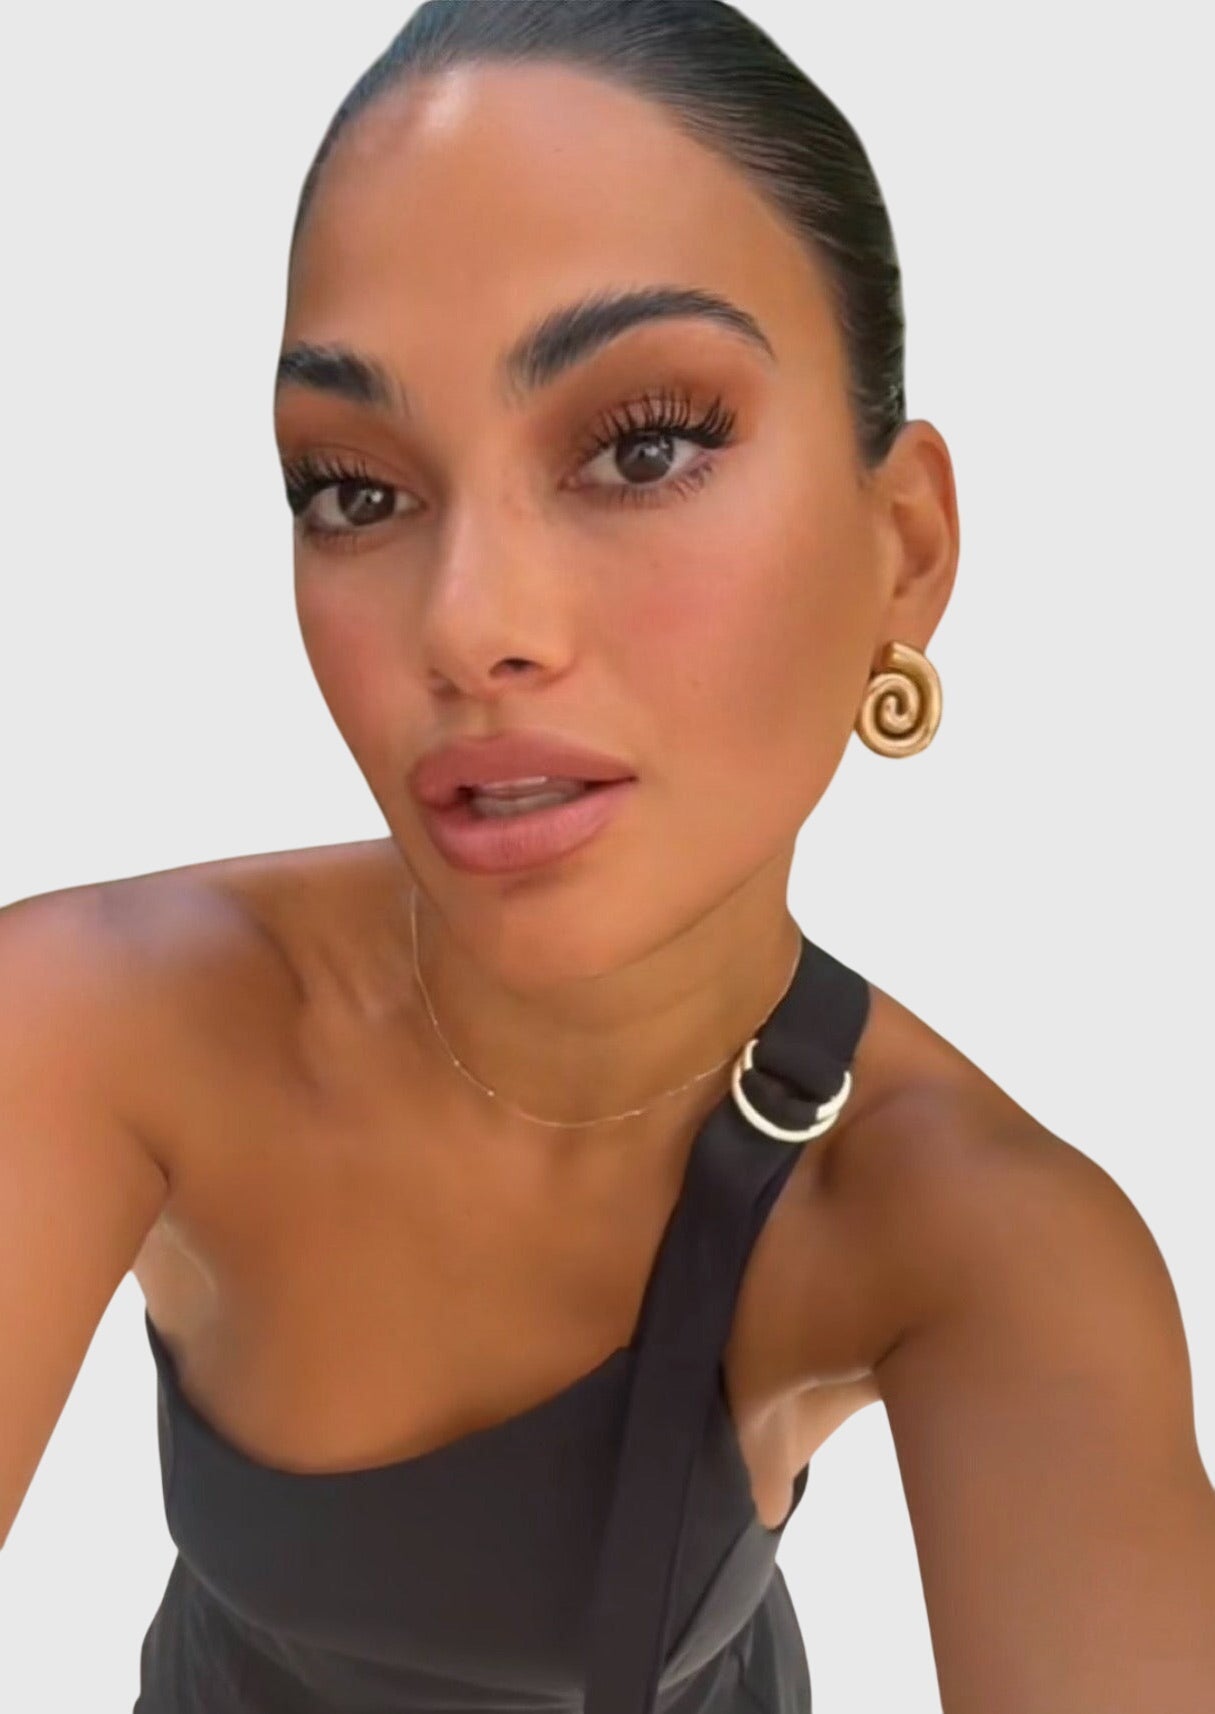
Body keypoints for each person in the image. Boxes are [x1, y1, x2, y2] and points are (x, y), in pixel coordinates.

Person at [2, 1, 1212, 1710]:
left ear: (904, 549)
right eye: (354, 488)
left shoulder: (976, 1234)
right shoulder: (93, 1023)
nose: (468, 623)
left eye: (645, 447)